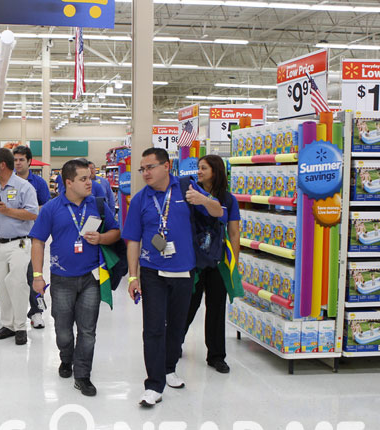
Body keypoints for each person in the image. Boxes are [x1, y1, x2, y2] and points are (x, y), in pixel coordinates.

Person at [122, 147, 225, 408]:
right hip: (152, 271)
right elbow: (133, 239)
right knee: (154, 327)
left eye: (150, 167)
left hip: (184, 271)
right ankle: (154, 385)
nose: (145, 173)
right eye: (142, 169)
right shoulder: (140, 200)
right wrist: (133, 277)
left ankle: (169, 368)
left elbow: (218, 212)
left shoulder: (187, 190)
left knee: (177, 326)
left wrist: (204, 201)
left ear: (166, 166)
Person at [29, 159, 120, 396]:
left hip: (91, 277)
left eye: (90, 177)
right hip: (61, 279)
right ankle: (66, 357)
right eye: (83, 179)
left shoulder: (98, 205)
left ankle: (83, 375)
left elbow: (116, 232)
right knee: (63, 331)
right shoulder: (51, 208)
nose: (90, 182)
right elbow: (38, 241)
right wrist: (38, 276)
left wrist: (101, 239)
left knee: (88, 330)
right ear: (68, 182)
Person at [183, 155, 241, 374]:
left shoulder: (228, 199)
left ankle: (216, 356)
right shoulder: (189, 193)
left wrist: (232, 262)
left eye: (203, 168)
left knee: (216, 309)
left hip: (217, 260)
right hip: (193, 260)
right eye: (198, 168)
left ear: (215, 171)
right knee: (188, 305)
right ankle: (174, 342)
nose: (199, 171)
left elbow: (234, 232)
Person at [0, 147, 38, 345]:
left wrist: (9, 211)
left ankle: (21, 327)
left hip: (18, 243)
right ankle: (8, 325)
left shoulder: (24, 187)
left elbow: (33, 214)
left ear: (2, 165)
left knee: (18, 283)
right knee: (2, 286)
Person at [13, 145, 51, 328]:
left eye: (21, 159)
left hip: (33, 237)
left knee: (34, 276)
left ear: (29, 161)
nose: (18, 163)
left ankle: (37, 312)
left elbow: (46, 207)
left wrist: (27, 212)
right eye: (15, 160)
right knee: (14, 278)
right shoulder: (7, 182)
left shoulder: (39, 183)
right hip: (12, 238)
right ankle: (15, 314)